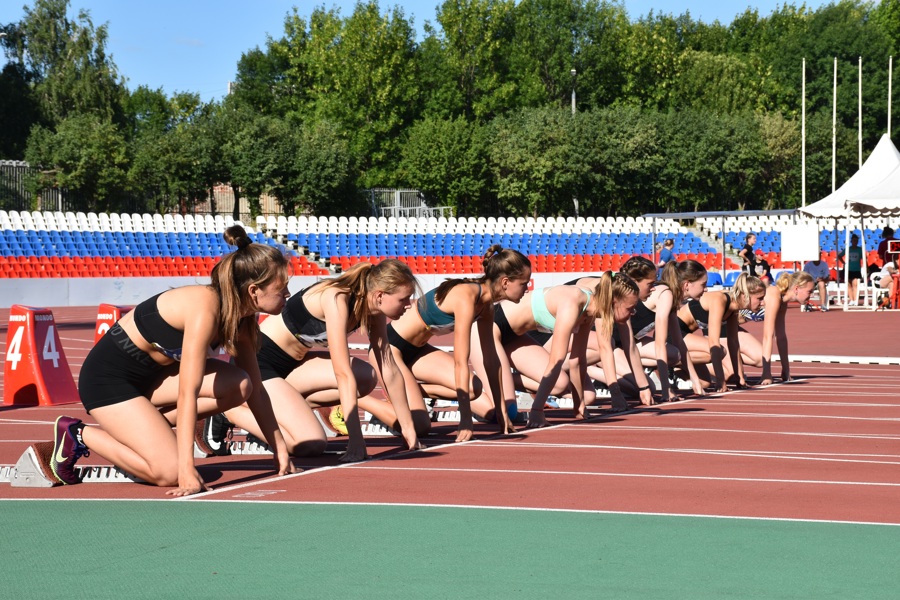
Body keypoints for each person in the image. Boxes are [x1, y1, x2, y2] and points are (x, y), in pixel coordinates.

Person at [49, 225, 294, 496]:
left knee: (241, 384)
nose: (288, 295)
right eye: (281, 288)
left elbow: (257, 390)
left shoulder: (245, 320)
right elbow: (188, 391)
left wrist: (279, 447)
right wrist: (186, 470)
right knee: (169, 473)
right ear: (254, 291)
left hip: (153, 380)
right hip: (109, 382)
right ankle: (77, 433)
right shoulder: (205, 307)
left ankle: (147, 430)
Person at [203, 259, 425, 464]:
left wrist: (408, 429)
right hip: (261, 364)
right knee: (311, 443)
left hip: (294, 364)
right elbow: (342, 373)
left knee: (367, 378)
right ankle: (229, 411)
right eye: (403, 299)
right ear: (379, 295)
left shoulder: (373, 308)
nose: (408, 305)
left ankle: (284, 408)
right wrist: (356, 440)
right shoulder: (337, 298)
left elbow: (388, 367)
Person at [387, 245, 532, 442]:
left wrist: (502, 411)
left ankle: (410, 390)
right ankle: (357, 402)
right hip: (391, 350)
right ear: (506, 282)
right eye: (524, 283)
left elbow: (491, 360)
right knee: (420, 426)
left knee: (475, 391)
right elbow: (460, 361)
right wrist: (465, 419)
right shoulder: (466, 297)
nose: (527, 288)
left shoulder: (486, 306)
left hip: (418, 352)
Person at [677, 272, 767, 392]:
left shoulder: (734, 308)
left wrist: (739, 378)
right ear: (745, 295)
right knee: (718, 351)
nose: (763, 303)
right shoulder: (720, 300)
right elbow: (713, 342)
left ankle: (674, 371)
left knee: (705, 383)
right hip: (674, 333)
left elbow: (734, 343)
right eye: (760, 298)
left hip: (685, 335)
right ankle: (664, 362)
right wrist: (720, 381)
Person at [757, 271, 814, 385]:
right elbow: (768, 336)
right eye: (809, 291)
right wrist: (766, 373)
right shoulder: (774, 294)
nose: (811, 295)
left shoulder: (783, 301)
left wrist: (786, 369)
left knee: (757, 359)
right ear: (797, 288)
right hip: (722, 322)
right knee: (759, 359)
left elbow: (781, 336)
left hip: (732, 328)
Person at [837, 234, 863, 305]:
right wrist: (843, 263)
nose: (855, 242)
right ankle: (851, 300)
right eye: (854, 240)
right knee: (848, 285)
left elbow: (864, 258)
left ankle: (855, 300)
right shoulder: (848, 249)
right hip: (848, 269)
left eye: (856, 241)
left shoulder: (860, 250)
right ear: (851, 241)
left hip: (856, 269)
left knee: (855, 284)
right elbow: (839, 256)